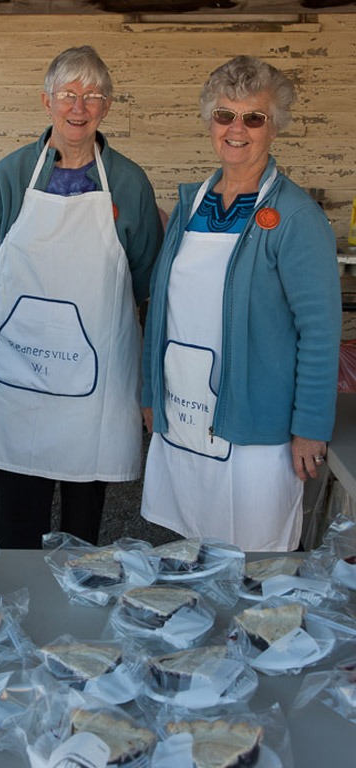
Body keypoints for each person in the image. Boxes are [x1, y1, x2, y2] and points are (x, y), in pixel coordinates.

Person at [141, 55, 341, 552]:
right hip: (184, 408)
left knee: (255, 566)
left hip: (257, 429)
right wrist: (150, 394)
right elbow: (161, 306)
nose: (237, 129)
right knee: (192, 552)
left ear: (275, 128)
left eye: (254, 117)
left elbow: (320, 330)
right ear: (210, 121)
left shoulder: (295, 217)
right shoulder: (190, 205)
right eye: (225, 114)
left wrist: (310, 428)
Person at [0, 45, 163, 549]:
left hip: (94, 371)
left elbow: (143, 270)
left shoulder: (128, 181)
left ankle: (78, 610)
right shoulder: (12, 174)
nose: (79, 107)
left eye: (93, 95)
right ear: (46, 100)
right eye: (68, 94)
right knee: (17, 511)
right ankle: (11, 602)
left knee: (83, 521)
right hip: (21, 368)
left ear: (108, 106)